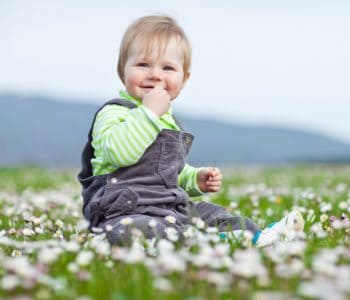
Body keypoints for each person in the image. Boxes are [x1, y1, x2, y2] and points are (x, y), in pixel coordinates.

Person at [78, 15, 304, 247]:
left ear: (183, 79)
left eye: (168, 68)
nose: (155, 74)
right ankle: (203, 242)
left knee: (211, 213)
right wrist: (148, 113)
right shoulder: (115, 112)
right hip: (124, 211)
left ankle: (255, 237)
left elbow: (166, 172)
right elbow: (120, 154)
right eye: (143, 64)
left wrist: (194, 178)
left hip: (168, 207)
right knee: (131, 231)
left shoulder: (167, 119)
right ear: (122, 70)